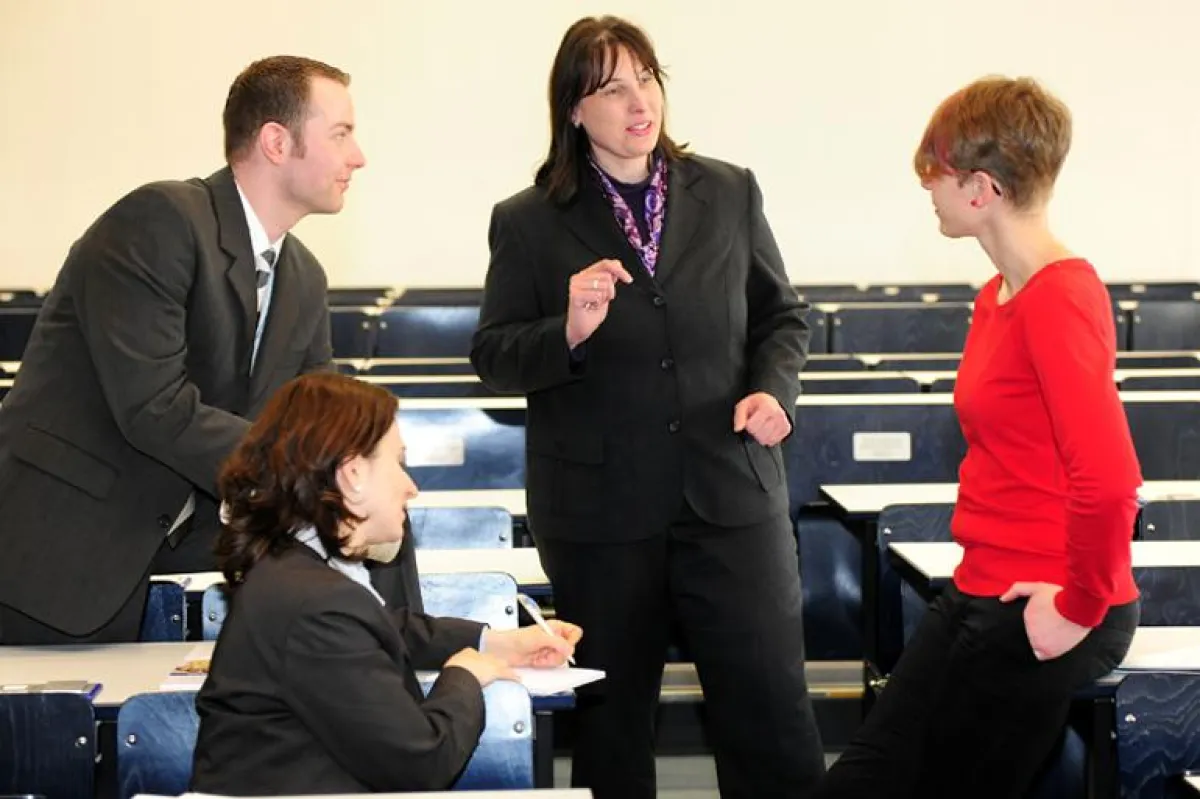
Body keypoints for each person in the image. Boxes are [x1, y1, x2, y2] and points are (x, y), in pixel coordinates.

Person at [470, 15, 825, 799]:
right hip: (600, 510)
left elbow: (781, 317)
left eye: (648, 79)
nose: (639, 102)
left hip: (731, 493)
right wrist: (565, 330)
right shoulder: (529, 220)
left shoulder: (728, 190)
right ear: (573, 109)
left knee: (771, 713)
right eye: (612, 88)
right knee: (614, 726)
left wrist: (774, 389)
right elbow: (492, 356)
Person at [813, 77, 1141, 799]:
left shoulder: (1059, 298)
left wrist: (1078, 605)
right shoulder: (997, 296)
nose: (926, 187)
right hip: (980, 585)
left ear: (981, 188)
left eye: (935, 171)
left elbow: (1112, 479)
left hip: (1045, 605)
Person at [0, 56, 376, 644]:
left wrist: (357, 467)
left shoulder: (303, 276)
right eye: (341, 134)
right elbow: (156, 407)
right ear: (277, 142)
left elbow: (314, 419)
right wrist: (317, 470)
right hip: (59, 555)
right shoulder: (160, 221)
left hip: (182, 562)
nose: (358, 157)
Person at [190, 372, 582, 794]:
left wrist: (498, 643)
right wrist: (463, 677)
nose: (411, 487)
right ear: (353, 475)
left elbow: (380, 630)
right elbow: (423, 762)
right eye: (397, 462)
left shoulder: (298, 572)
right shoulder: (317, 603)